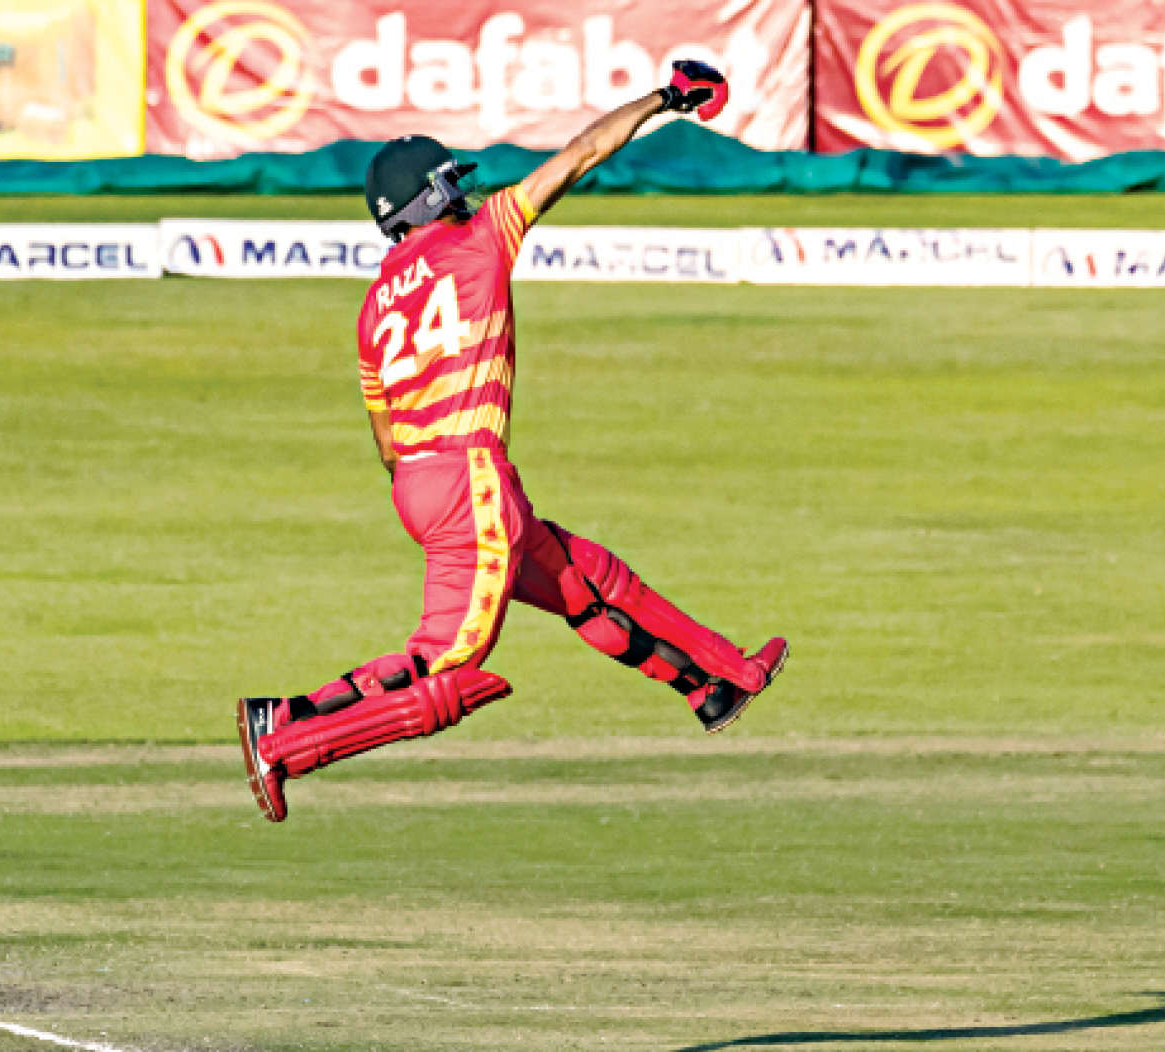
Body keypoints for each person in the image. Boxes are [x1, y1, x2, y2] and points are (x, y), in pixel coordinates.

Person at [237, 61, 788, 823]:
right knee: (447, 660)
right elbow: (583, 152)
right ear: (431, 196)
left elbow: (387, 442)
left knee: (586, 579)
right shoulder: (482, 237)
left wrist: (440, 490)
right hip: (469, 476)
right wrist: (665, 98)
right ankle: (288, 734)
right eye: (447, 183)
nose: (460, 192)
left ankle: (718, 681)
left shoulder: (374, 306)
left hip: (422, 483)